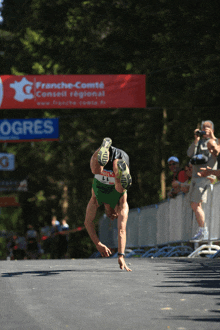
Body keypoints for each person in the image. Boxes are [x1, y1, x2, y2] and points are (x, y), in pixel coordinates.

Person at [84, 137, 132, 271]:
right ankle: (106, 154)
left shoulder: (96, 199)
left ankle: (104, 152)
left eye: (112, 217)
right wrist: (120, 255)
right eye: (114, 216)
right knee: (119, 188)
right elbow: (121, 230)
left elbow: (88, 222)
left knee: (97, 171)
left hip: (108, 166)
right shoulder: (121, 203)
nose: (113, 216)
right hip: (115, 161)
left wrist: (98, 244)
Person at [187, 120, 218, 240]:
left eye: (208, 128)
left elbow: (216, 152)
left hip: (205, 177)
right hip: (195, 177)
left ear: (212, 130)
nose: (205, 130)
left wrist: (212, 136)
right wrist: (196, 139)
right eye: (203, 128)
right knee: (194, 204)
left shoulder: (213, 141)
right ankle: (202, 229)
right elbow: (189, 154)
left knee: (195, 204)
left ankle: (203, 229)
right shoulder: (199, 142)